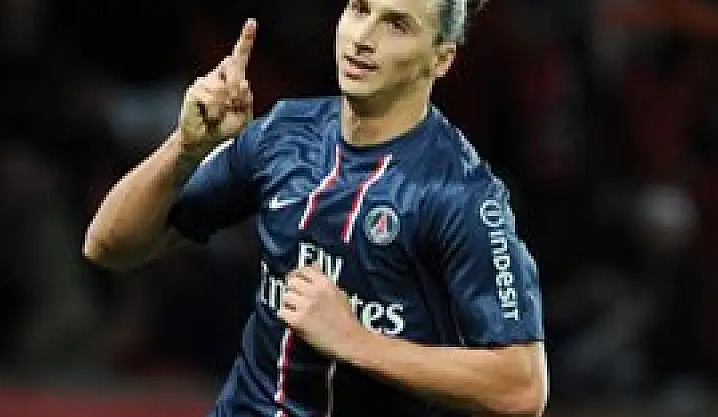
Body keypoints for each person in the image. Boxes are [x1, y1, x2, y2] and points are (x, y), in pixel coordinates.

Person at [83, 0, 548, 415]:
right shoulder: (283, 133)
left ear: (440, 59)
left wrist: (356, 341)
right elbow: (107, 247)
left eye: (397, 25)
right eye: (360, 9)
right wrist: (185, 149)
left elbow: (522, 387)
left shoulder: (462, 195)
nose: (363, 38)